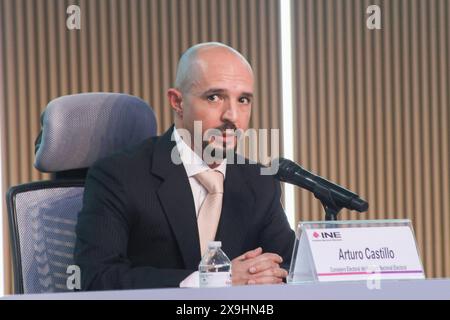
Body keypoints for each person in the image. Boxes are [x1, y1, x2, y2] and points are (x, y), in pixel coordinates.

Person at [74, 42, 295, 290]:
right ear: (177, 102)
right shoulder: (119, 175)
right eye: (215, 97)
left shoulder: (259, 182)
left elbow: (290, 266)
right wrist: (213, 281)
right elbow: (97, 277)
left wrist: (265, 273)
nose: (232, 116)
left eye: (243, 100)